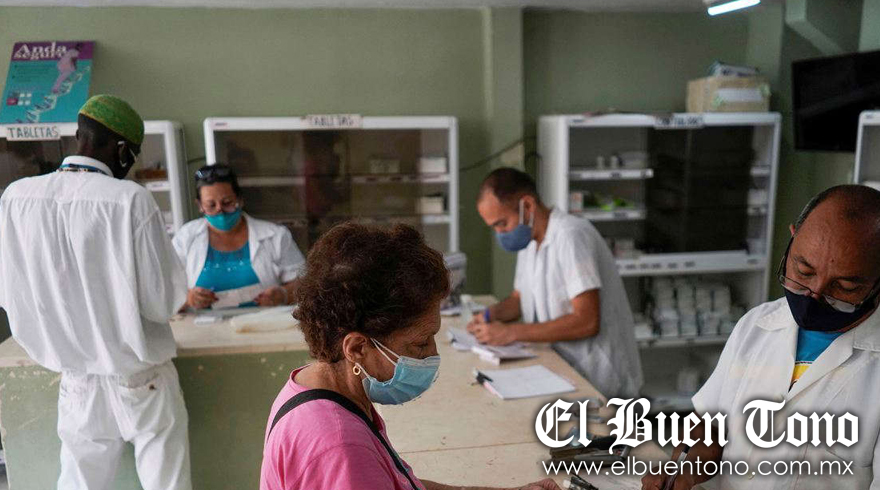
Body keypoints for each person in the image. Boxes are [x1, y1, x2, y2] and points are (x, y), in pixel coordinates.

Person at [260, 222, 559, 490]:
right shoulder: (340, 447)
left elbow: (398, 482)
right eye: (420, 344)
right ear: (358, 348)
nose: (432, 354)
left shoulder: (323, 387)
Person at [0, 95, 191, 489]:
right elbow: (163, 302)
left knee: (79, 483)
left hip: (76, 381)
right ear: (121, 150)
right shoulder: (129, 200)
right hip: (140, 379)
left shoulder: (17, 197)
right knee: (165, 483)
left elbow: (10, 293)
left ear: (79, 135)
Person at [642, 185, 880, 490]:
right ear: (792, 239)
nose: (815, 294)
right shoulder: (757, 325)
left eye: (845, 287)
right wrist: (684, 468)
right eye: (804, 270)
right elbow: (710, 426)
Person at [468, 167, 642, 398]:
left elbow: (587, 321)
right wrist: (491, 315)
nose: (501, 234)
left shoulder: (571, 235)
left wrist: (511, 332)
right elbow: (520, 299)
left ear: (527, 206)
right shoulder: (529, 242)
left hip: (599, 377)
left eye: (502, 223)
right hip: (562, 369)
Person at [172, 164, 305, 309]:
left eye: (227, 203)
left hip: (264, 320)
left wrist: (283, 294)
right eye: (211, 205)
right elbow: (166, 290)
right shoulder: (185, 237)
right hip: (203, 322)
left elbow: (305, 284)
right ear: (199, 205)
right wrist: (188, 298)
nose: (220, 211)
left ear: (240, 200)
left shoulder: (276, 236)